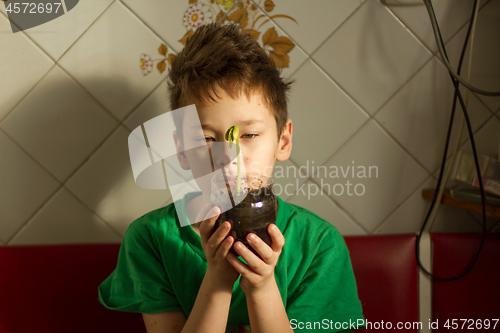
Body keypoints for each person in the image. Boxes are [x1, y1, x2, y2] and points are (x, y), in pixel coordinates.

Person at [98, 22, 365, 333]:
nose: (229, 158)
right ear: (181, 149)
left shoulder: (319, 245)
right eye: (207, 139)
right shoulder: (151, 240)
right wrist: (218, 278)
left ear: (283, 141)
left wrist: (262, 287)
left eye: (249, 134)